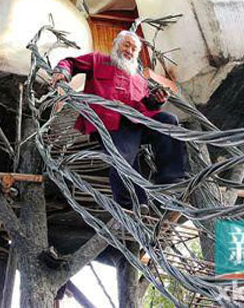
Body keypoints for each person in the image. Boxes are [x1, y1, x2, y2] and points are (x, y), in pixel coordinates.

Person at [52, 30, 187, 213]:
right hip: (110, 123)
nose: (130, 51)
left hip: (137, 121)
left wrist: (156, 100)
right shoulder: (98, 60)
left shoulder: (140, 79)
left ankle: (171, 180)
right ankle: (129, 204)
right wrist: (62, 73)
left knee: (169, 121)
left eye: (134, 48)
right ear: (116, 45)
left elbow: (146, 106)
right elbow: (70, 63)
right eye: (126, 45)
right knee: (125, 156)